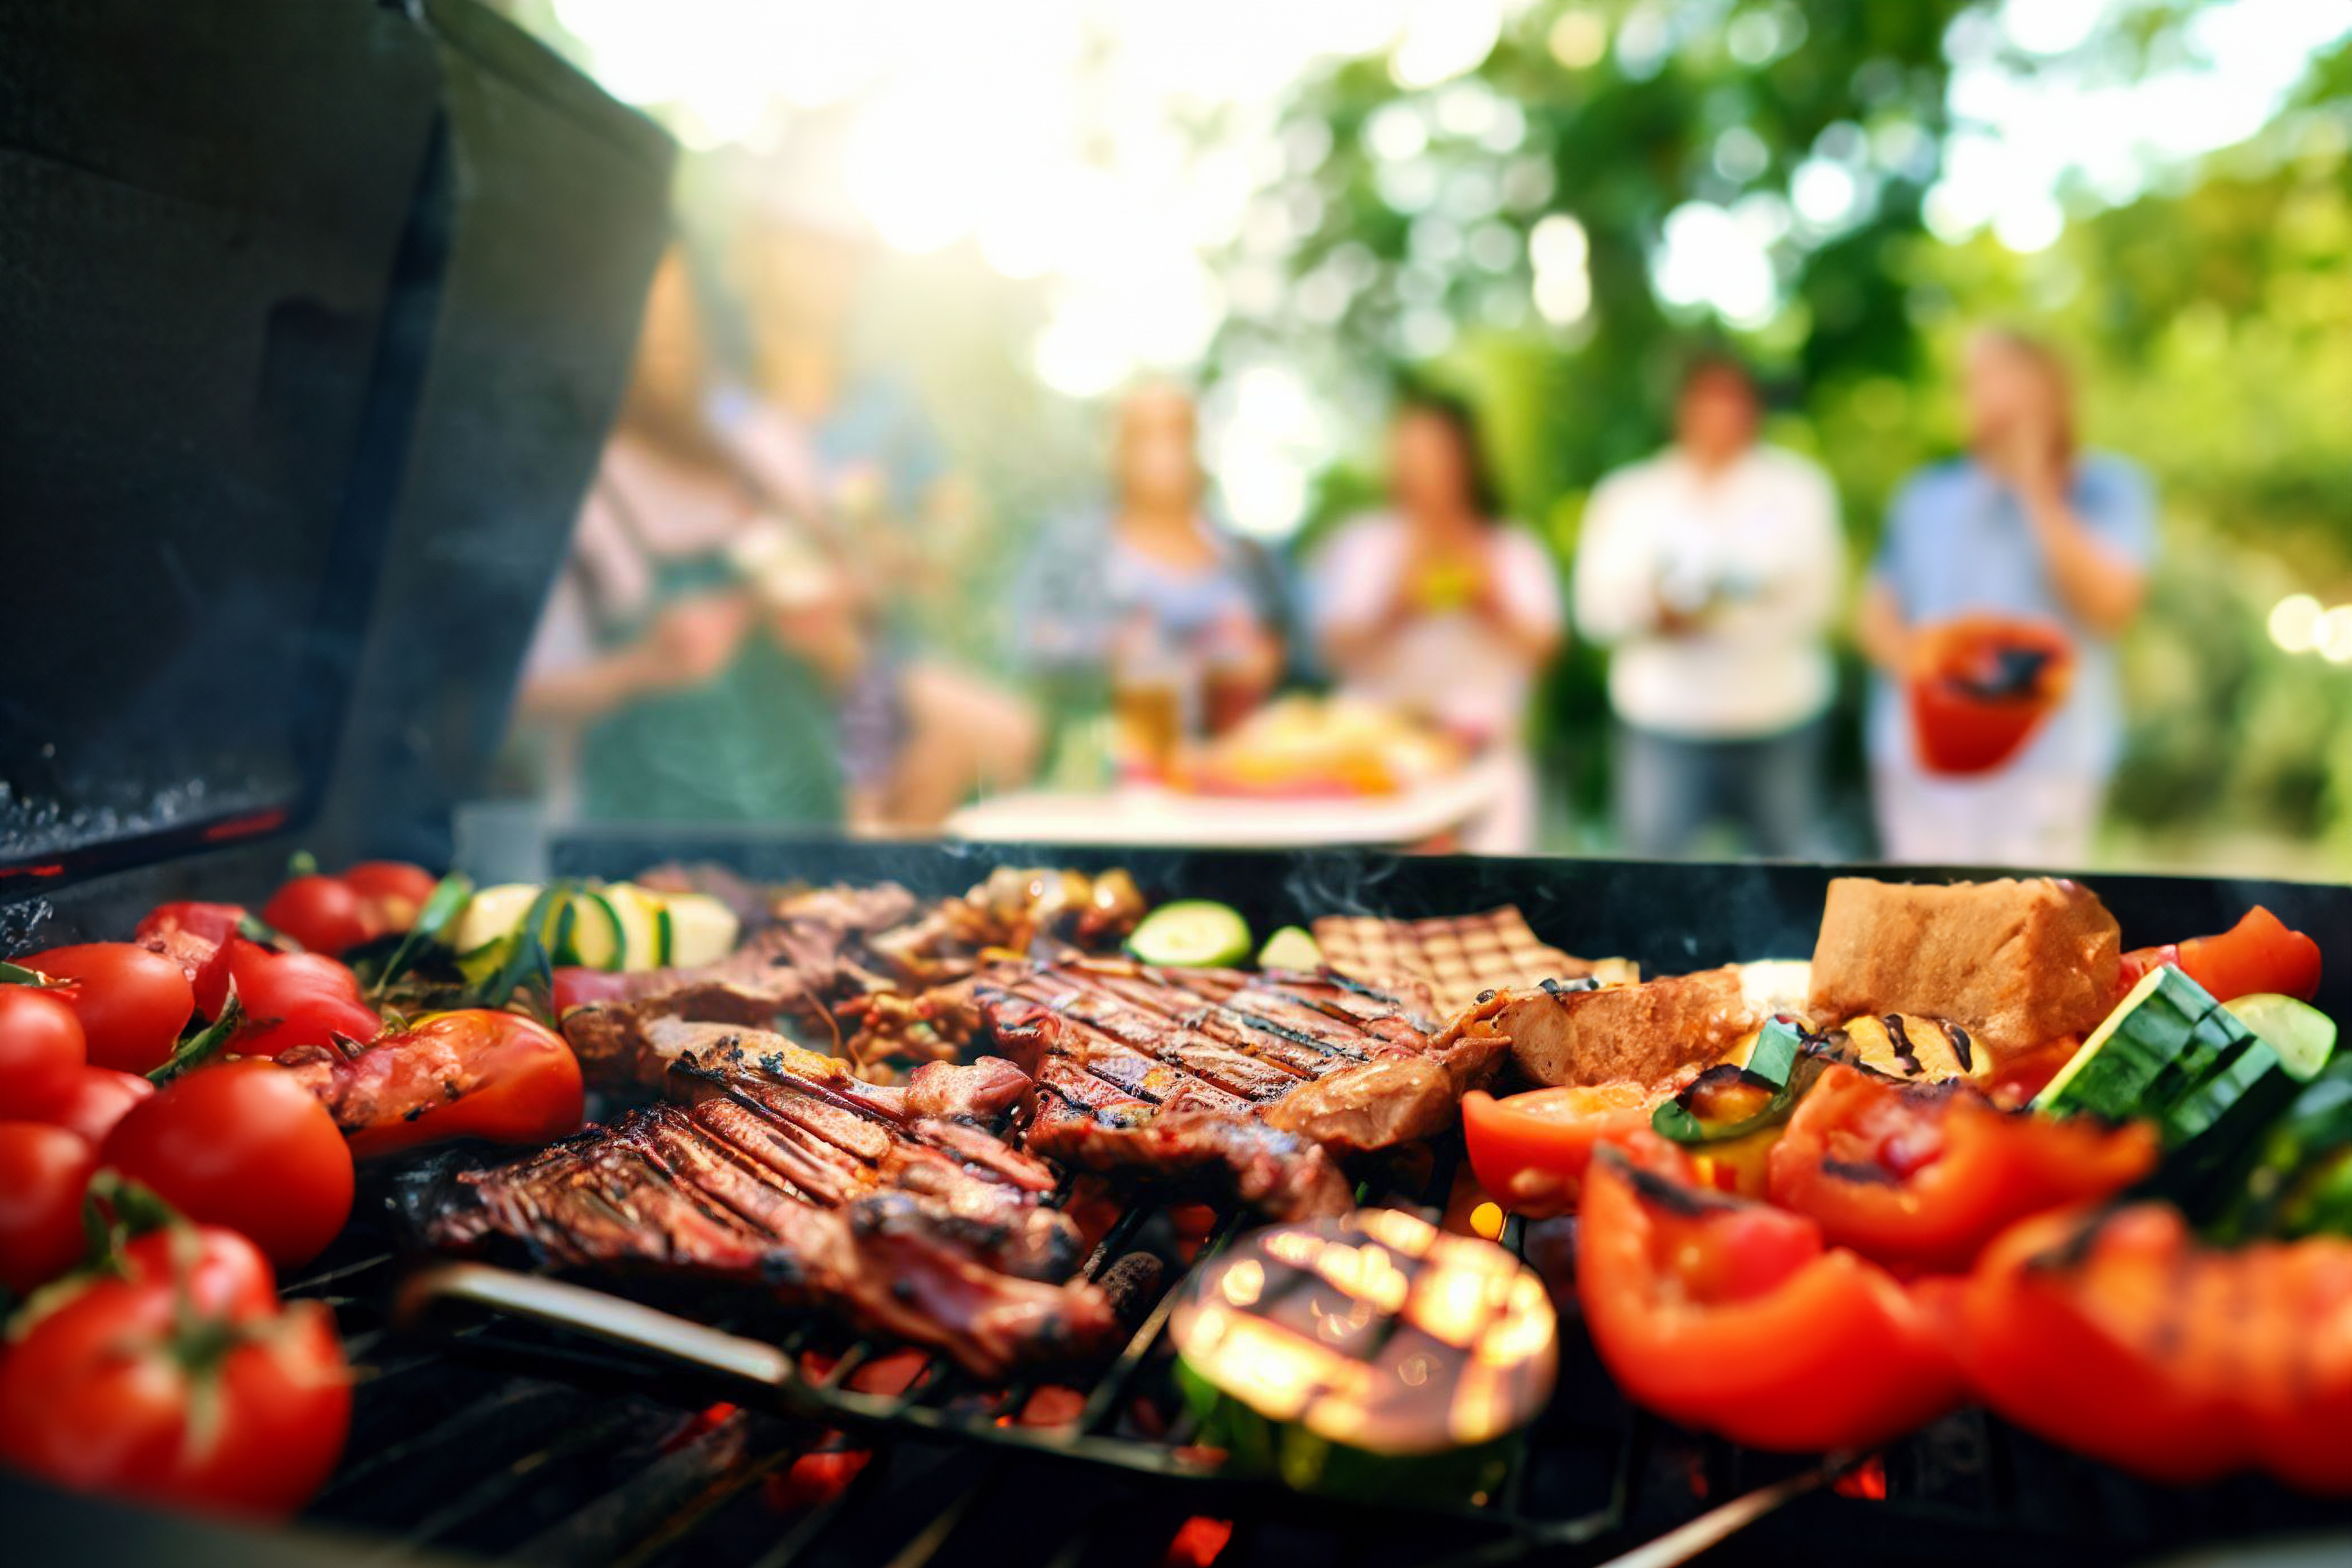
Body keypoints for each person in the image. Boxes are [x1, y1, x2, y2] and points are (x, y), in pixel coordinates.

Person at [713, 180, 1040, 830]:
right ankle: (863, 855)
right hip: (760, 652)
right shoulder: (719, 406)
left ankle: (872, 877)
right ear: (754, 255)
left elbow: (957, 527)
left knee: (995, 734)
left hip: (877, 655)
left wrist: (899, 550)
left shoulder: (888, 404)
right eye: (806, 245)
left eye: (844, 253)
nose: (828, 269)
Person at [515, 243, 853, 825]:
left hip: (804, 817)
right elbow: (511, 699)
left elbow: (845, 659)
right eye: (644, 316)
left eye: (677, 315)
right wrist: (644, 665)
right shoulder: (570, 487)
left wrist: (825, 629)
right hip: (640, 842)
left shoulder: (760, 448)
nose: (665, 338)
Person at [1859, 328, 2155, 865]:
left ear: (2048, 391)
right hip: (1925, 765)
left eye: (1998, 379)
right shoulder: (1925, 495)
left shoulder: (2108, 489)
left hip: (2048, 767)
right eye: (1972, 382)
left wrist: (2036, 488)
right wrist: (1949, 682)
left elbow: (2112, 607)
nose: (1979, 397)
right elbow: (1875, 616)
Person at [1573, 352, 1843, 858]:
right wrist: (1652, 614)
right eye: (1707, 399)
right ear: (1680, 408)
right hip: (1664, 722)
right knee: (1651, 879)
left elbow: (1817, 601)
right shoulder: (1628, 496)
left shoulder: (1800, 490)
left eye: (1733, 399)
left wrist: (1724, 616)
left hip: (1778, 717)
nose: (1721, 415)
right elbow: (1596, 610)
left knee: (1790, 880)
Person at [1309, 392, 1564, 852]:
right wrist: (1397, 607)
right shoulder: (1364, 543)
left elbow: (1547, 652)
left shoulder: (1511, 546)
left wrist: (1487, 601)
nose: (1423, 468)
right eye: (1410, 452)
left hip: (1483, 763)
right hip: (1377, 767)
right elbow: (1331, 651)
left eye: (1436, 452)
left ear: (1467, 458)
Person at [1016, 382, 1288, 738]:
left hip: (1232, 770)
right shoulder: (1072, 547)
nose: (1162, 449)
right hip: (1116, 766)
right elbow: (1029, 643)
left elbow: (1299, 661)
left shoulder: (1245, 556)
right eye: (1143, 434)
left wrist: (1263, 660)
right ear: (1117, 448)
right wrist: (1108, 650)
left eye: (1176, 431)